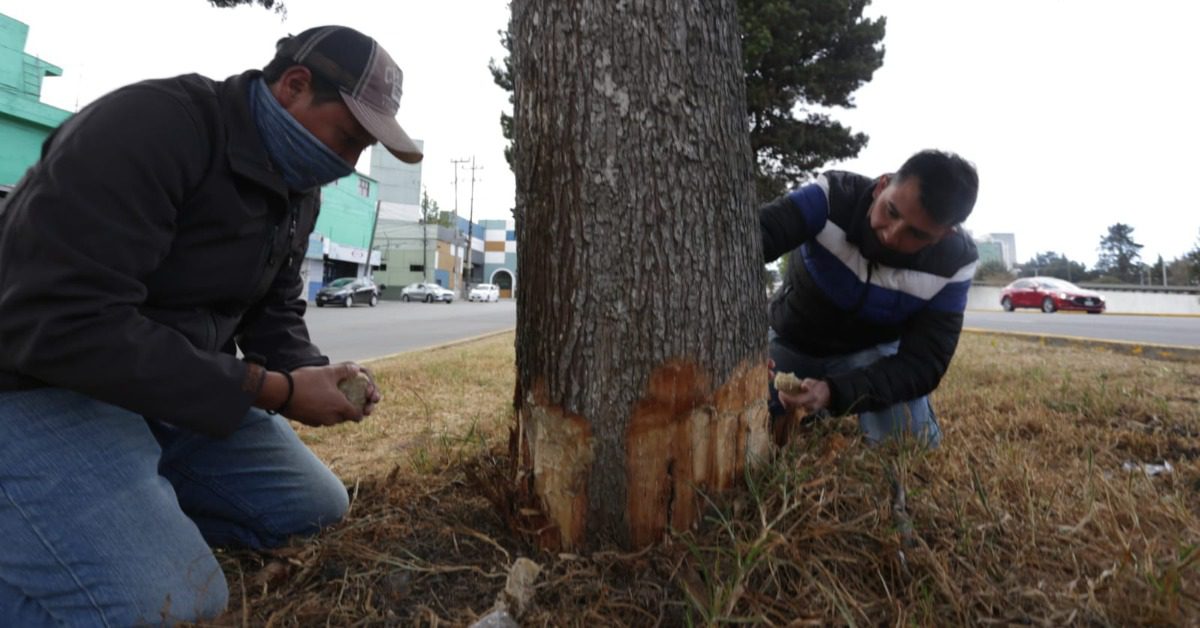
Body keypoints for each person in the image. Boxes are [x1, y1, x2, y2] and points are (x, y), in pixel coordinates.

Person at [0, 25, 422, 625]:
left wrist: (306, 370)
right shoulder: (153, 127)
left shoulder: (297, 187)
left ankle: (123, 517)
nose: (345, 165)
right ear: (295, 86)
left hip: (159, 392)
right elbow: (66, 323)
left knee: (313, 507)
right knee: (175, 607)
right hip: (36, 384)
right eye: (348, 138)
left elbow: (273, 308)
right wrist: (271, 391)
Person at [761, 150, 979, 448]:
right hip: (791, 341)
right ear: (882, 185)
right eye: (891, 211)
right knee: (753, 419)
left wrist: (834, 392)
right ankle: (812, 413)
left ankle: (826, 404)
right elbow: (755, 237)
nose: (892, 235)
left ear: (943, 236)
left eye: (915, 233)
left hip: (870, 356)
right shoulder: (830, 198)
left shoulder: (954, 263)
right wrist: (745, 348)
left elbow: (923, 363)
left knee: (909, 442)